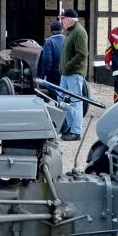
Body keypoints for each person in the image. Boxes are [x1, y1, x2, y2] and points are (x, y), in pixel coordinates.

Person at [58, 9, 89, 141]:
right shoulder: (71, 32)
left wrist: (69, 65)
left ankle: (76, 131)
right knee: (62, 100)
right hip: (66, 73)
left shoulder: (79, 32)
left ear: (69, 20)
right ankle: (70, 127)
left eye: (63, 19)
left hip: (74, 73)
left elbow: (82, 54)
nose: (61, 22)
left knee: (75, 102)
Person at [37, 20, 65, 86]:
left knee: (55, 94)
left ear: (50, 30)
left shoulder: (49, 42)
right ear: (62, 30)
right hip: (66, 73)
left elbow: (47, 60)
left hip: (54, 75)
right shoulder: (67, 40)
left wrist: (44, 74)